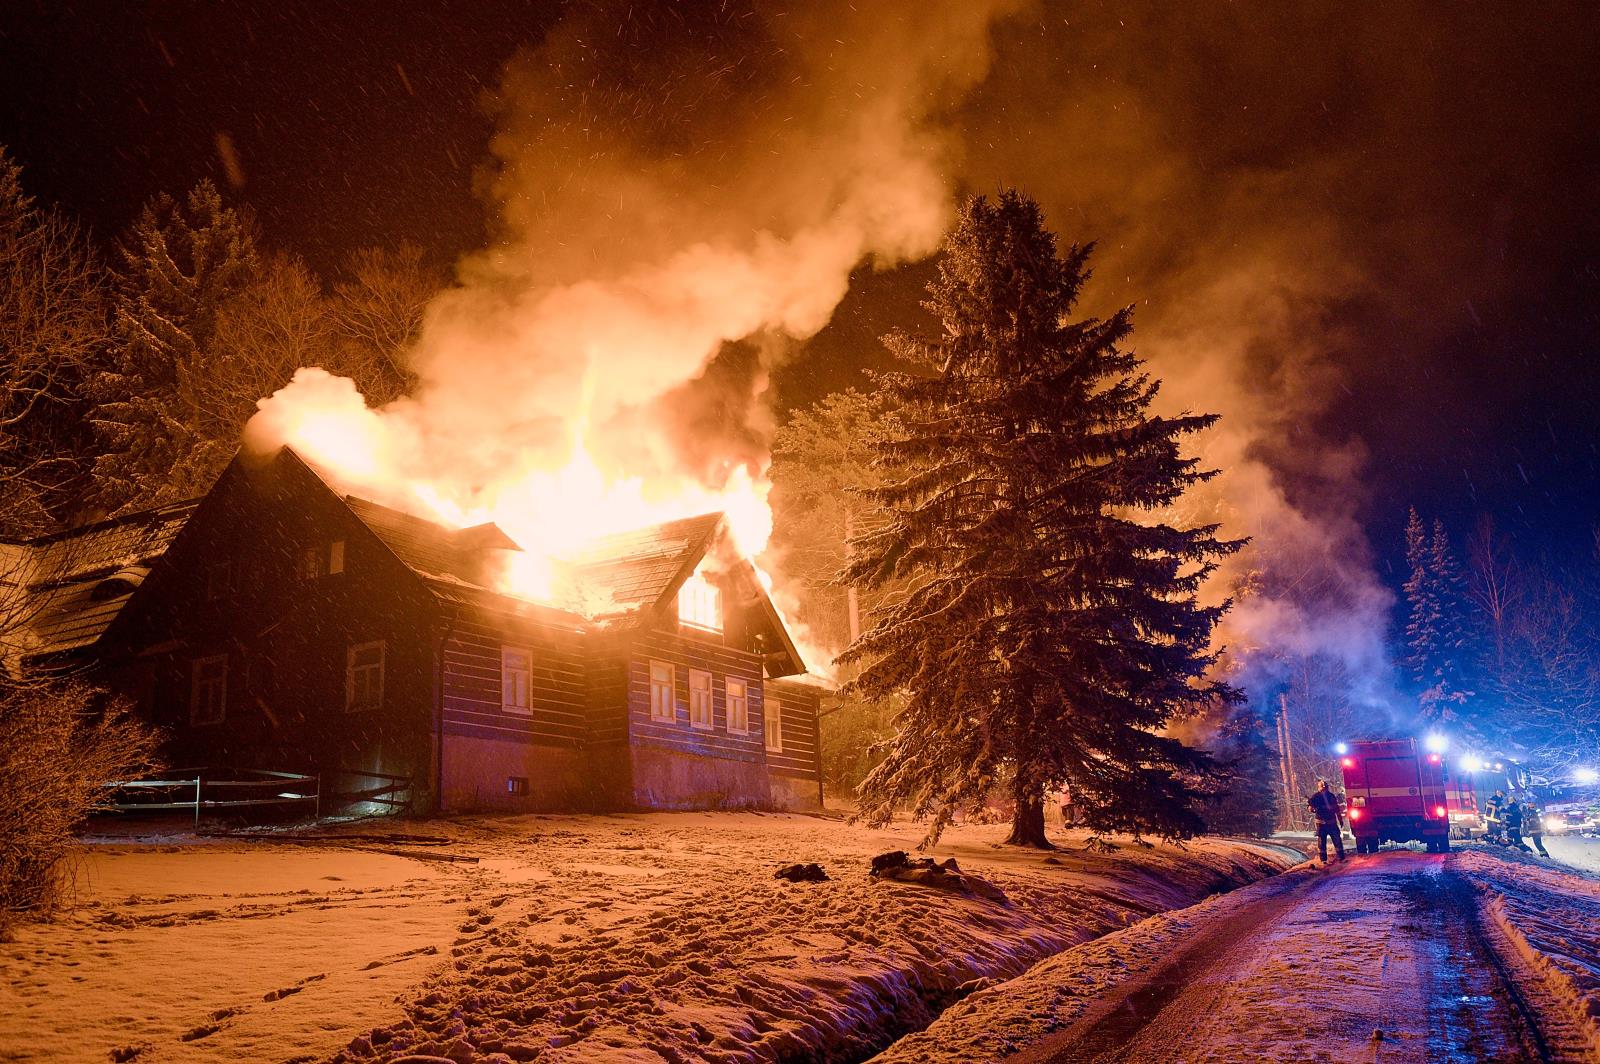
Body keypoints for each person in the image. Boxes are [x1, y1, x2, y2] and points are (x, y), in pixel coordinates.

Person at [1307, 779, 1346, 863]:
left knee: (1336, 840)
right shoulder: (1316, 797)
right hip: (1322, 823)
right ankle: (1324, 860)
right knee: (1323, 841)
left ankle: (1340, 857)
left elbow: (1336, 808)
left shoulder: (1331, 796)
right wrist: (1314, 809)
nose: (1325, 789)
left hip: (1330, 822)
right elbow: (1310, 808)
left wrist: (1340, 820)